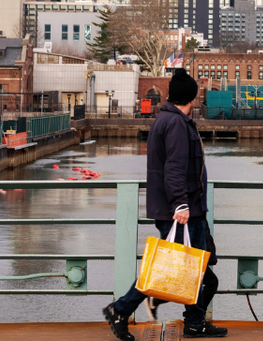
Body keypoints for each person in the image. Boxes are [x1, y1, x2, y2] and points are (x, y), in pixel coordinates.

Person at [103, 69, 226, 340]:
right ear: (191, 98)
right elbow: (175, 168)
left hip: (186, 209)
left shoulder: (167, 120)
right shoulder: (177, 125)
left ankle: (193, 321)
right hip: (183, 211)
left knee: (196, 270)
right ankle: (121, 308)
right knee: (174, 269)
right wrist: (181, 205)